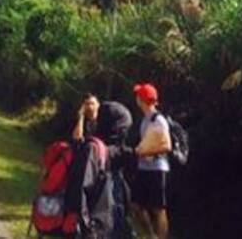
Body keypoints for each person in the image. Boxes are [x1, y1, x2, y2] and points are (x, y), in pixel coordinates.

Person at [72, 94, 134, 239]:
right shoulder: (89, 126)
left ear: (98, 104)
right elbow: (77, 139)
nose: (90, 107)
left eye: (92, 103)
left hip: (106, 167)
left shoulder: (108, 121)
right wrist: (81, 116)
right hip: (95, 170)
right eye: (87, 104)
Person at [129, 83, 171, 239]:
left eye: (138, 96)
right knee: (136, 206)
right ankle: (150, 235)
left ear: (142, 99)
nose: (136, 99)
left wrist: (146, 152)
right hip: (143, 168)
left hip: (158, 169)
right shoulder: (145, 120)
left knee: (158, 209)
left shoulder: (158, 120)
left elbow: (167, 146)